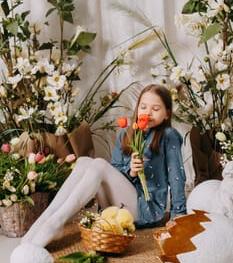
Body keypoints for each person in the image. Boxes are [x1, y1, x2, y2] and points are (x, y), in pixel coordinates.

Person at [21, 84, 187, 247]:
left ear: (167, 114)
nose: (147, 113)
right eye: (143, 107)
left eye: (155, 109)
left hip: (146, 211)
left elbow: (176, 176)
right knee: (84, 162)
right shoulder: (126, 133)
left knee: (99, 164)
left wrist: (178, 215)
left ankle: (56, 223)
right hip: (117, 206)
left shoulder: (168, 135)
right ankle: (47, 218)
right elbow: (114, 168)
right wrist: (132, 172)